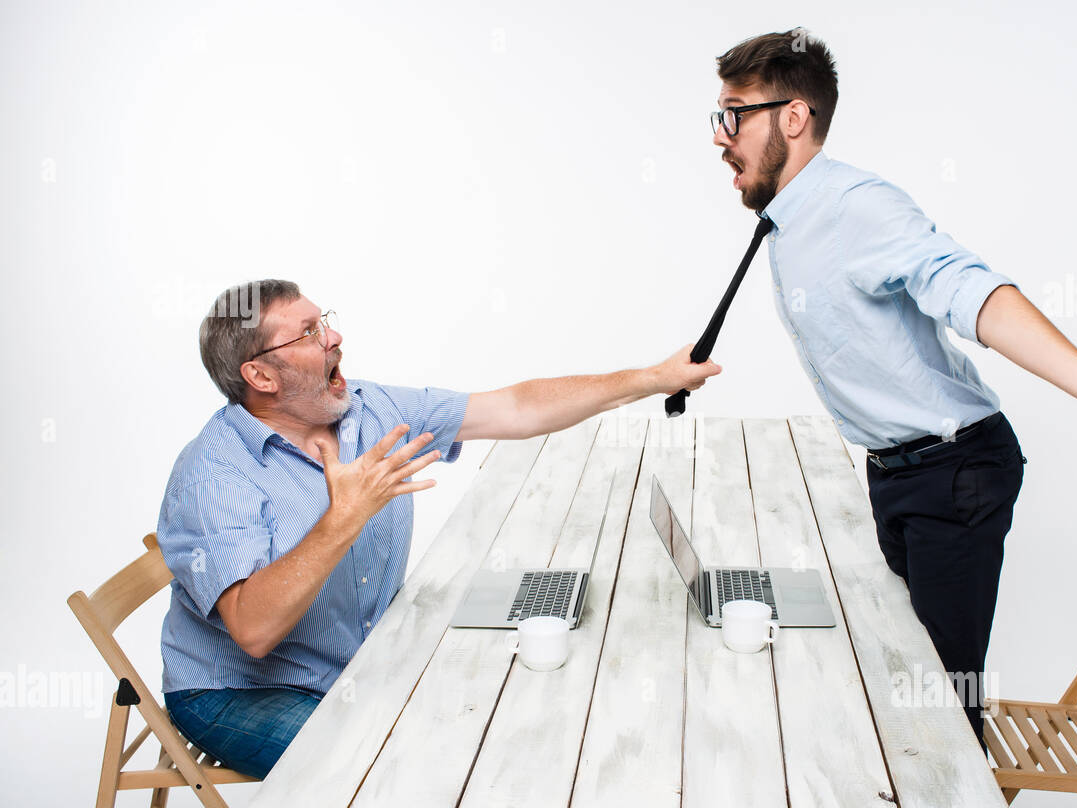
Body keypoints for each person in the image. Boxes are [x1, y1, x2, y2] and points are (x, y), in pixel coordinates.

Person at [707, 30, 1077, 748]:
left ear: (793, 117)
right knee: (906, 674)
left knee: (940, 712)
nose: (721, 136)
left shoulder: (857, 205)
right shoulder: (791, 218)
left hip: (955, 473)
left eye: (735, 113)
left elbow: (967, 290)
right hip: (900, 473)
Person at [157, 279, 719, 778]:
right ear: (259, 375)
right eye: (308, 333)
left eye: (324, 320)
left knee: (503, 719)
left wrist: (653, 378)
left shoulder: (365, 410)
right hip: (239, 692)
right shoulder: (215, 469)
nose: (334, 338)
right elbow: (253, 631)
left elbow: (515, 409)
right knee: (410, 766)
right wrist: (342, 519)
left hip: (355, 660)